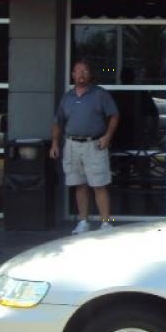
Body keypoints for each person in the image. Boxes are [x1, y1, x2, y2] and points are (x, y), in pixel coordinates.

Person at [50, 59, 119, 234]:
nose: (81, 74)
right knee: (79, 185)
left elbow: (114, 115)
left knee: (99, 185)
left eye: (85, 71)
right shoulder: (67, 97)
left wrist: (108, 136)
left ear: (90, 75)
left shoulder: (100, 94)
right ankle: (83, 222)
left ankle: (106, 223)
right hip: (72, 145)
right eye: (78, 71)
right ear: (72, 75)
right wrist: (55, 143)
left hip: (94, 145)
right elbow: (58, 122)